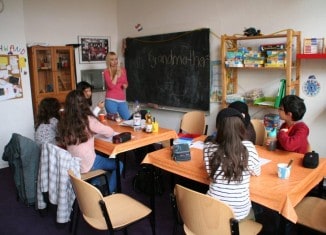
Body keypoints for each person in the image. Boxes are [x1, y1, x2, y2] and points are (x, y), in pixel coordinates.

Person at [57, 90, 123, 194]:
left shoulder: (65, 121)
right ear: (84, 104)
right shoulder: (88, 120)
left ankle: (95, 185)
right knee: (119, 164)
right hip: (88, 163)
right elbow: (110, 132)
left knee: (97, 157)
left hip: (73, 163)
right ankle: (109, 192)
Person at [203, 107, 261, 221]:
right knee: (259, 211)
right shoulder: (248, 148)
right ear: (241, 128)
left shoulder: (208, 147)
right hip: (239, 214)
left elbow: (210, 172)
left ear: (218, 128)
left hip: (212, 208)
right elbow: (257, 172)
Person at [103, 51, 130, 120]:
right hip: (111, 100)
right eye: (112, 60)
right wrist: (116, 75)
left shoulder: (123, 70)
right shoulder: (106, 72)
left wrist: (125, 85)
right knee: (115, 123)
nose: (115, 61)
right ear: (108, 61)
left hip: (122, 100)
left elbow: (126, 82)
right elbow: (111, 86)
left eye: (116, 59)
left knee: (128, 120)